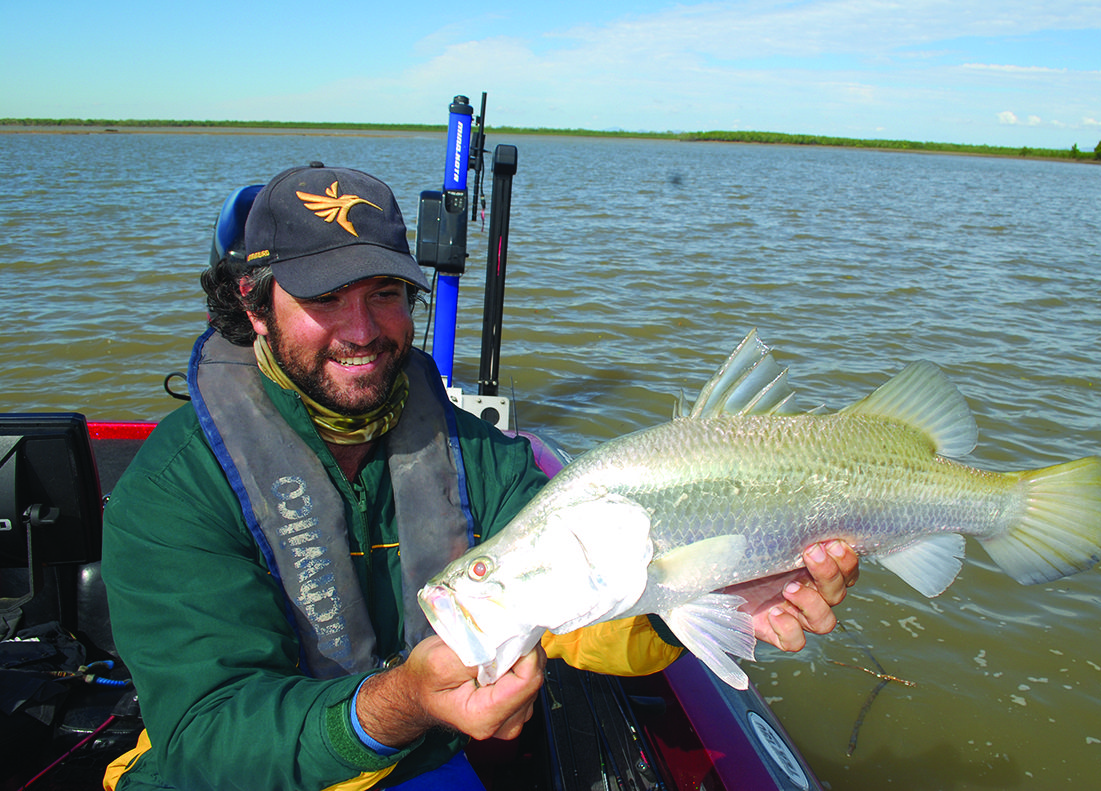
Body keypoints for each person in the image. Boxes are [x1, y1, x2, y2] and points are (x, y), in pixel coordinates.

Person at [101, 163, 859, 791]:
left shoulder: (474, 451)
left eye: (385, 293)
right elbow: (203, 737)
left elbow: (581, 609)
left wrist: (690, 598)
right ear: (256, 306)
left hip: (422, 762)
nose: (362, 330)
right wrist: (391, 706)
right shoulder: (175, 483)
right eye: (324, 299)